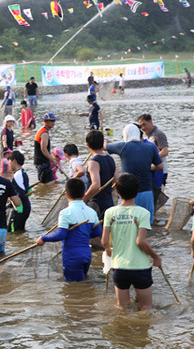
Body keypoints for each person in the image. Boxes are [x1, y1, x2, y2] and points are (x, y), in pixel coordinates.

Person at [101, 173, 162, 310]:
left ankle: (123, 331)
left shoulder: (110, 213)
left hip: (119, 266)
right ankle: (142, 331)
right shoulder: (143, 213)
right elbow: (140, 241)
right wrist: (156, 257)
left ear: (117, 191)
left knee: (122, 307)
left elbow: (104, 241)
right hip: (140, 267)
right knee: (146, 307)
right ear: (137, 191)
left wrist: (108, 252)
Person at [37, 178, 102, 281]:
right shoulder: (91, 212)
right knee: (82, 283)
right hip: (86, 255)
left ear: (67, 195)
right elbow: (97, 232)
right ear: (84, 193)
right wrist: (83, 234)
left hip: (72, 257)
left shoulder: (65, 213)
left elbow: (60, 235)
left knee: (73, 289)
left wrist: (43, 238)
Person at [106, 124, 163, 223]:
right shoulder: (150, 147)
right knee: (145, 224)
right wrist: (148, 167)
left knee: (126, 223)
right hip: (147, 192)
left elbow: (104, 147)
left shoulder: (123, 146)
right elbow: (160, 166)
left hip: (127, 193)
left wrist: (105, 140)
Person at [83, 130, 117, 218]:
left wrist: (84, 199)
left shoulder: (93, 162)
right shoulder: (110, 159)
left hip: (97, 205)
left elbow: (96, 185)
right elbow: (117, 182)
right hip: (109, 202)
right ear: (102, 144)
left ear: (88, 145)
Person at [137, 114, 169, 186]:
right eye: (140, 126)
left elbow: (165, 151)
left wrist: (150, 158)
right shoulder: (149, 136)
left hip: (161, 171)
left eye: (144, 125)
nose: (143, 128)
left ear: (151, 121)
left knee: (158, 195)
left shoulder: (158, 134)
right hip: (153, 170)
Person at [7, 151, 31, 232]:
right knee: (20, 231)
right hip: (26, 207)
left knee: (12, 232)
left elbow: (20, 195)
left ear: (14, 161)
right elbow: (29, 190)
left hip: (20, 209)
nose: (8, 164)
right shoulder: (23, 173)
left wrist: (9, 204)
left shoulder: (17, 175)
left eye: (9, 161)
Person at [34, 113, 58, 184]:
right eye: (51, 121)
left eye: (54, 121)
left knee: (48, 183)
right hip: (42, 162)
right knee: (49, 183)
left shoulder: (43, 130)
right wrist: (52, 160)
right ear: (45, 121)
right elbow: (43, 149)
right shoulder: (44, 133)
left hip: (42, 162)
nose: (53, 123)